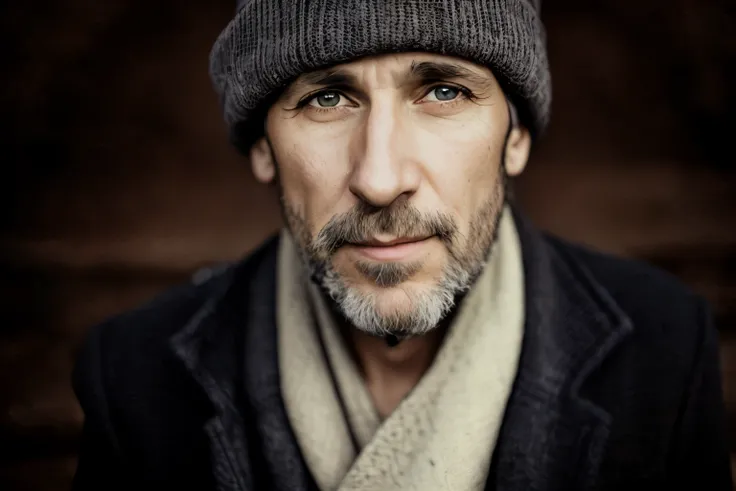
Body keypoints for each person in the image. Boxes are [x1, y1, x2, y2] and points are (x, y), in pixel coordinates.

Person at [71, 1, 732, 490]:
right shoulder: (134, 376)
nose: (381, 179)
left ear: (517, 134)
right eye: (327, 98)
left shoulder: (666, 347)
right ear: (263, 147)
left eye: (443, 91)